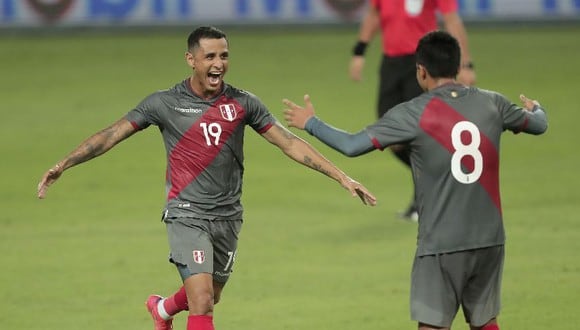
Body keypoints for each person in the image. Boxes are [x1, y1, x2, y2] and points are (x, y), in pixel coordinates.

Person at [37, 26, 377, 330]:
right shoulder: (164, 103)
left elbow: (288, 142)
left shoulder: (244, 103)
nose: (218, 64)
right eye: (209, 56)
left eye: (224, 56)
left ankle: (162, 308)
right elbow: (111, 134)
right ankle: (170, 308)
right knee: (201, 302)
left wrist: (342, 177)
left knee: (210, 296)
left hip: (228, 216)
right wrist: (64, 164)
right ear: (191, 59)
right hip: (187, 212)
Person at [283, 30, 547, 330]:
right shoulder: (493, 103)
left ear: (421, 71)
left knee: (432, 326)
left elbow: (352, 145)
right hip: (490, 239)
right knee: (485, 323)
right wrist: (536, 107)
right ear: (458, 67)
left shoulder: (413, 114)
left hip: (441, 243)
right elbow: (539, 124)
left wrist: (311, 123)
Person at [350, 0, 476, 221]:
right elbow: (373, 14)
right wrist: (360, 50)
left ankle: (426, 198)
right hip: (391, 63)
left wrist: (465, 64)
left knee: (418, 133)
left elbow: (451, 20)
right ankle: (440, 178)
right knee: (390, 137)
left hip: (421, 65)